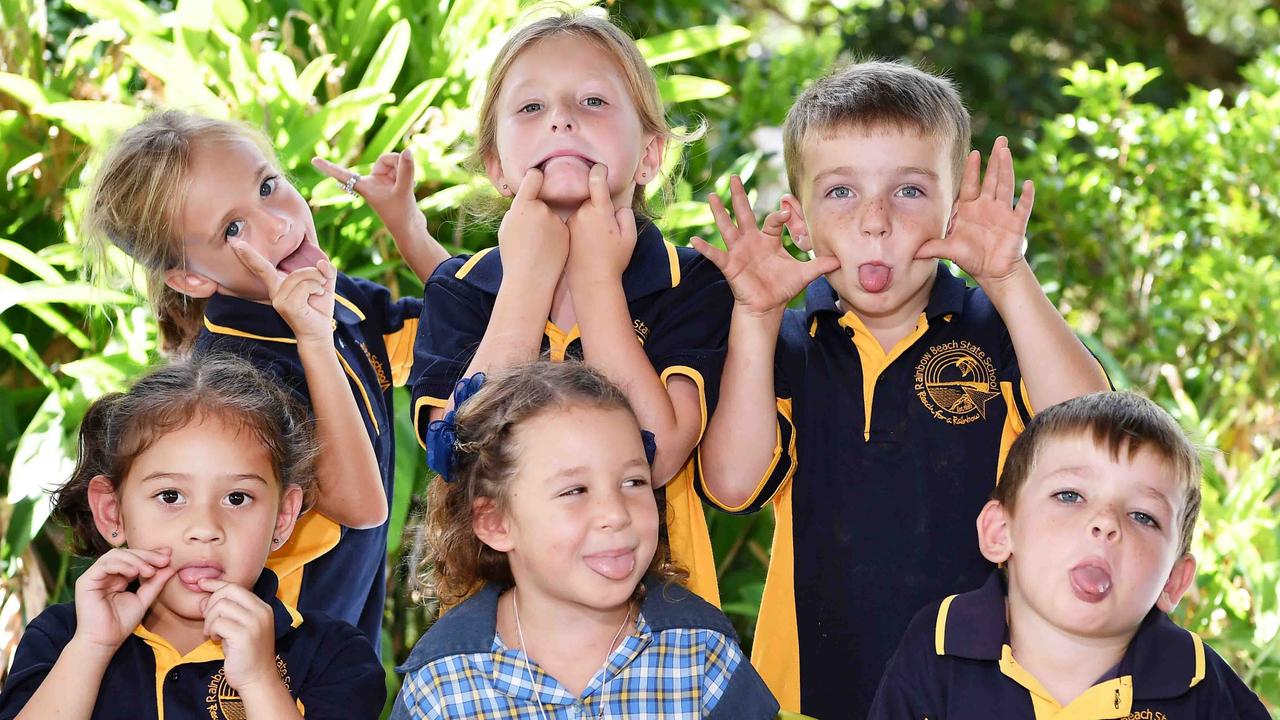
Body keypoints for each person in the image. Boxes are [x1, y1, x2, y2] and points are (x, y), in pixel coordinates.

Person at [691, 60, 1112, 715]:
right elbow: (733, 485)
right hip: (810, 695)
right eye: (842, 193)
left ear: (953, 211)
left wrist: (1008, 279)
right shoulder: (784, 347)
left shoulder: (998, 330)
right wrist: (754, 318)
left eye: (909, 191)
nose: (876, 221)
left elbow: (1092, 431)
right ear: (799, 224)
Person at [82, 110, 450, 645]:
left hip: (340, 648)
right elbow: (362, 507)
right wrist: (315, 340)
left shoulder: (334, 298)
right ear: (190, 278)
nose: (280, 223)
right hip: (270, 660)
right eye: (234, 228)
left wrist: (406, 225)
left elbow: (462, 328)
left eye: (268, 186)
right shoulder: (234, 385)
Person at [409, 12, 733, 605]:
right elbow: (458, 454)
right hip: (497, 624)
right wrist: (526, 284)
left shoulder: (690, 282)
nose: (561, 117)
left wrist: (597, 283)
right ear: (496, 166)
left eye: (592, 100)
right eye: (531, 108)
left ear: (650, 155)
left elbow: (657, 456)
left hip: (661, 622)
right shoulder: (459, 288)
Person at [0, 353, 384, 719]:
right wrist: (92, 648)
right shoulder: (61, 640)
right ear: (111, 511)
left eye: (237, 498)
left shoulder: (332, 655)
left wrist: (259, 679)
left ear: (282, 517)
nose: (205, 529)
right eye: (170, 496)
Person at [393, 361, 778, 718]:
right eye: (575, 490)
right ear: (495, 522)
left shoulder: (701, 658)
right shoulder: (442, 685)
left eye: (633, 482)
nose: (616, 513)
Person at [870, 391, 1269, 718]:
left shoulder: (1197, 683)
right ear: (1000, 532)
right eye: (1070, 495)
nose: (1106, 523)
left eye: (1143, 517)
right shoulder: (941, 645)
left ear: (1173, 580)